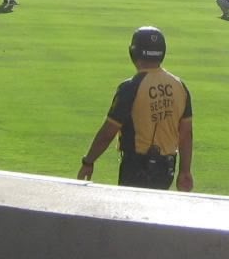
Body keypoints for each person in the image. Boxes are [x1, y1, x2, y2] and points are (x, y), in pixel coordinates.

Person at [77, 26, 193, 191]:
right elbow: (186, 134)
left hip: (137, 167)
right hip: (167, 168)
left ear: (134, 52)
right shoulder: (179, 86)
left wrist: (88, 161)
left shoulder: (130, 87)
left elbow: (108, 132)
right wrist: (185, 171)